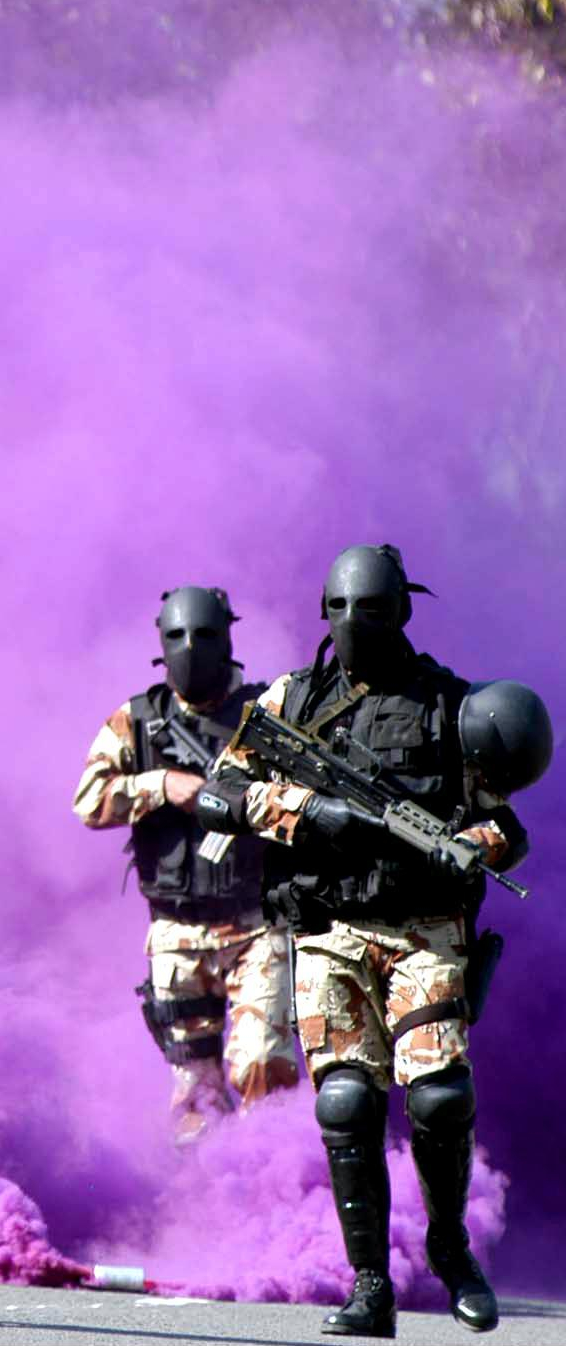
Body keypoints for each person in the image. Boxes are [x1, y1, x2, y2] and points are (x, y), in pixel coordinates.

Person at [203, 545, 537, 1338]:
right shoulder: (292, 699)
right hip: (329, 928)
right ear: (324, 611)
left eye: (372, 609)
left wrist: (473, 847)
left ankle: (450, 1248)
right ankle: (368, 1286)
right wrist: (305, 814)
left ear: (402, 612)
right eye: (342, 610)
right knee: (347, 1100)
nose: (355, 625)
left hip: (424, 934)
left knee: (439, 1096)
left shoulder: (449, 708)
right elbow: (222, 793)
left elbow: (507, 827)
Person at [73, 586, 298, 1142]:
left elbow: (308, 800)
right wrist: (163, 786)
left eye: (204, 636)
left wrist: (255, 803)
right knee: (194, 1101)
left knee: (262, 1070)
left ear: (228, 639)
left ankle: (275, 1197)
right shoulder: (139, 722)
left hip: (256, 926)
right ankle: (208, 1210)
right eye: (177, 637)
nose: (191, 649)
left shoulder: (263, 715)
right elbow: (88, 801)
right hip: (176, 934)